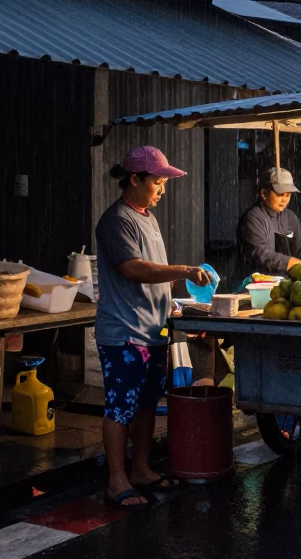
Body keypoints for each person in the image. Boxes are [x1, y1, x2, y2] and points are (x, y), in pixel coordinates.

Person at [95, 146, 209, 511]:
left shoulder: (148, 218)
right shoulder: (116, 221)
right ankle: (117, 481)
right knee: (120, 407)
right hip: (124, 334)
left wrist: (173, 305)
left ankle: (141, 469)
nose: (162, 190)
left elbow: (153, 275)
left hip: (154, 330)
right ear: (135, 180)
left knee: (146, 404)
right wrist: (185, 270)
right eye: (157, 182)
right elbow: (134, 269)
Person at [237, 166, 301, 283]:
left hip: (284, 284)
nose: (284, 200)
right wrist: (294, 263)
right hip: (253, 285)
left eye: (288, 195)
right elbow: (262, 255)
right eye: (280, 194)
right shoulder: (253, 217)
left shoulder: (290, 217)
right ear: (264, 193)